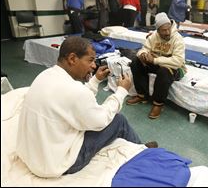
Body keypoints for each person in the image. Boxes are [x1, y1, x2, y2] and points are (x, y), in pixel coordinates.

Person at [16, 36, 157, 178]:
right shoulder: (75, 91)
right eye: (90, 60)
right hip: (57, 165)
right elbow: (101, 120)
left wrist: (95, 80)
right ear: (72, 59)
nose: (94, 66)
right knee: (118, 121)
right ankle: (143, 152)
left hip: (32, 157)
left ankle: (140, 150)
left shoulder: (45, 75)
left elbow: (75, 102)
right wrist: (121, 91)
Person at [126, 12, 186, 119]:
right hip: (157, 62)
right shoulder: (153, 36)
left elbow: (178, 61)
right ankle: (142, 95)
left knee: (164, 71)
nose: (167, 32)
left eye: (168, 29)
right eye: (163, 30)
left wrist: (155, 60)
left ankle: (158, 103)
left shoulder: (178, 39)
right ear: (157, 30)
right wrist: (143, 55)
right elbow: (144, 49)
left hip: (175, 68)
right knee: (136, 62)